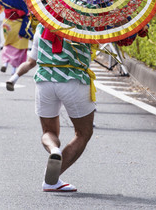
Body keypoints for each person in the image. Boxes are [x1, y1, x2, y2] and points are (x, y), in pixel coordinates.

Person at [6, 21, 96, 192]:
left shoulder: (42, 25)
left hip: (45, 81)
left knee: (49, 132)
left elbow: (33, 59)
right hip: (73, 80)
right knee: (83, 133)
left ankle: (54, 149)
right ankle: (51, 177)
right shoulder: (85, 24)